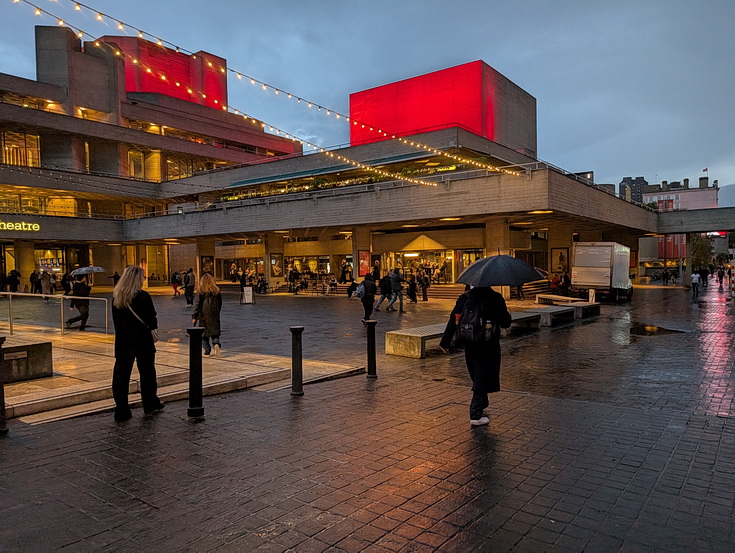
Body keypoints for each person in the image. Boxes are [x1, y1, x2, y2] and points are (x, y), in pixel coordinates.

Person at [439, 286, 512, 426]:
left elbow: (453, 319)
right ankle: (476, 414)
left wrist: (446, 342)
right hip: (489, 344)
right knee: (483, 375)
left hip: (470, 343)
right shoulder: (495, 298)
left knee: (478, 374)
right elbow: (505, 323)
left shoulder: (465, 298)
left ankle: (483, 402)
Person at [111, 265, 164, 422]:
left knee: (121, 376)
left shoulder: (117, 297)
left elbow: (116, 322)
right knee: (147, 373)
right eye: (142, 277)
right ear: (137, 279)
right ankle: (150, 404)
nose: (143, 280)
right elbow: (152, 319)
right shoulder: (143, 296)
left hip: (123, 341)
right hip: (143, 341)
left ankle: (121, 409)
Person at [192, 273, 223, 357]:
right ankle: (216, 344)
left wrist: (194, 316)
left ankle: (207, 351)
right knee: (215, 333)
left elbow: (197, 304)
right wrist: (217, 311)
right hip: (214, 314)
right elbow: (220, 303)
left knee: (204, 334)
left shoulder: (201, 291)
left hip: (204, 315)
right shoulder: (216, 291)